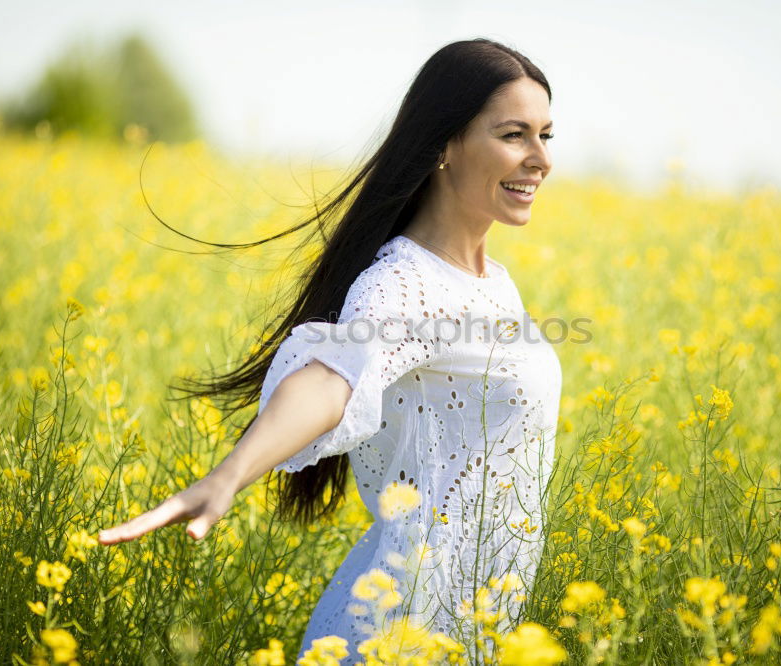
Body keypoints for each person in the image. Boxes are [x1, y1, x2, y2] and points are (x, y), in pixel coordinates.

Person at [98, 37, 562, 664]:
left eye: (546, 136)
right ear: (445, 146)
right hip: (402, 631)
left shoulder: (491, 283)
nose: (540, 158)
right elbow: (333, 376)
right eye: (514, 135)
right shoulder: (405, 283)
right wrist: (229, 475)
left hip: (472, 628)